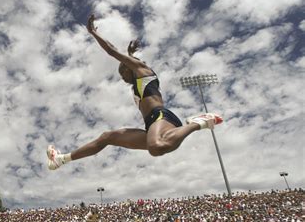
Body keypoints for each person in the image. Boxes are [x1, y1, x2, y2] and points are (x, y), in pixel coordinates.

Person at [47, 14, 222, 170]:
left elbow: (111, 51)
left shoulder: (142, 70)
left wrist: (93, 33)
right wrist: (130, 53)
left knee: (156, 146)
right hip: (150, 124)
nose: (122, 77)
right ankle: (61, 159)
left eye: (123, 73)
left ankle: (197, 123)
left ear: (130, 67)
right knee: (107, 137)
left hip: (162, 116)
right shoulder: (137, 80)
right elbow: (128, 61)